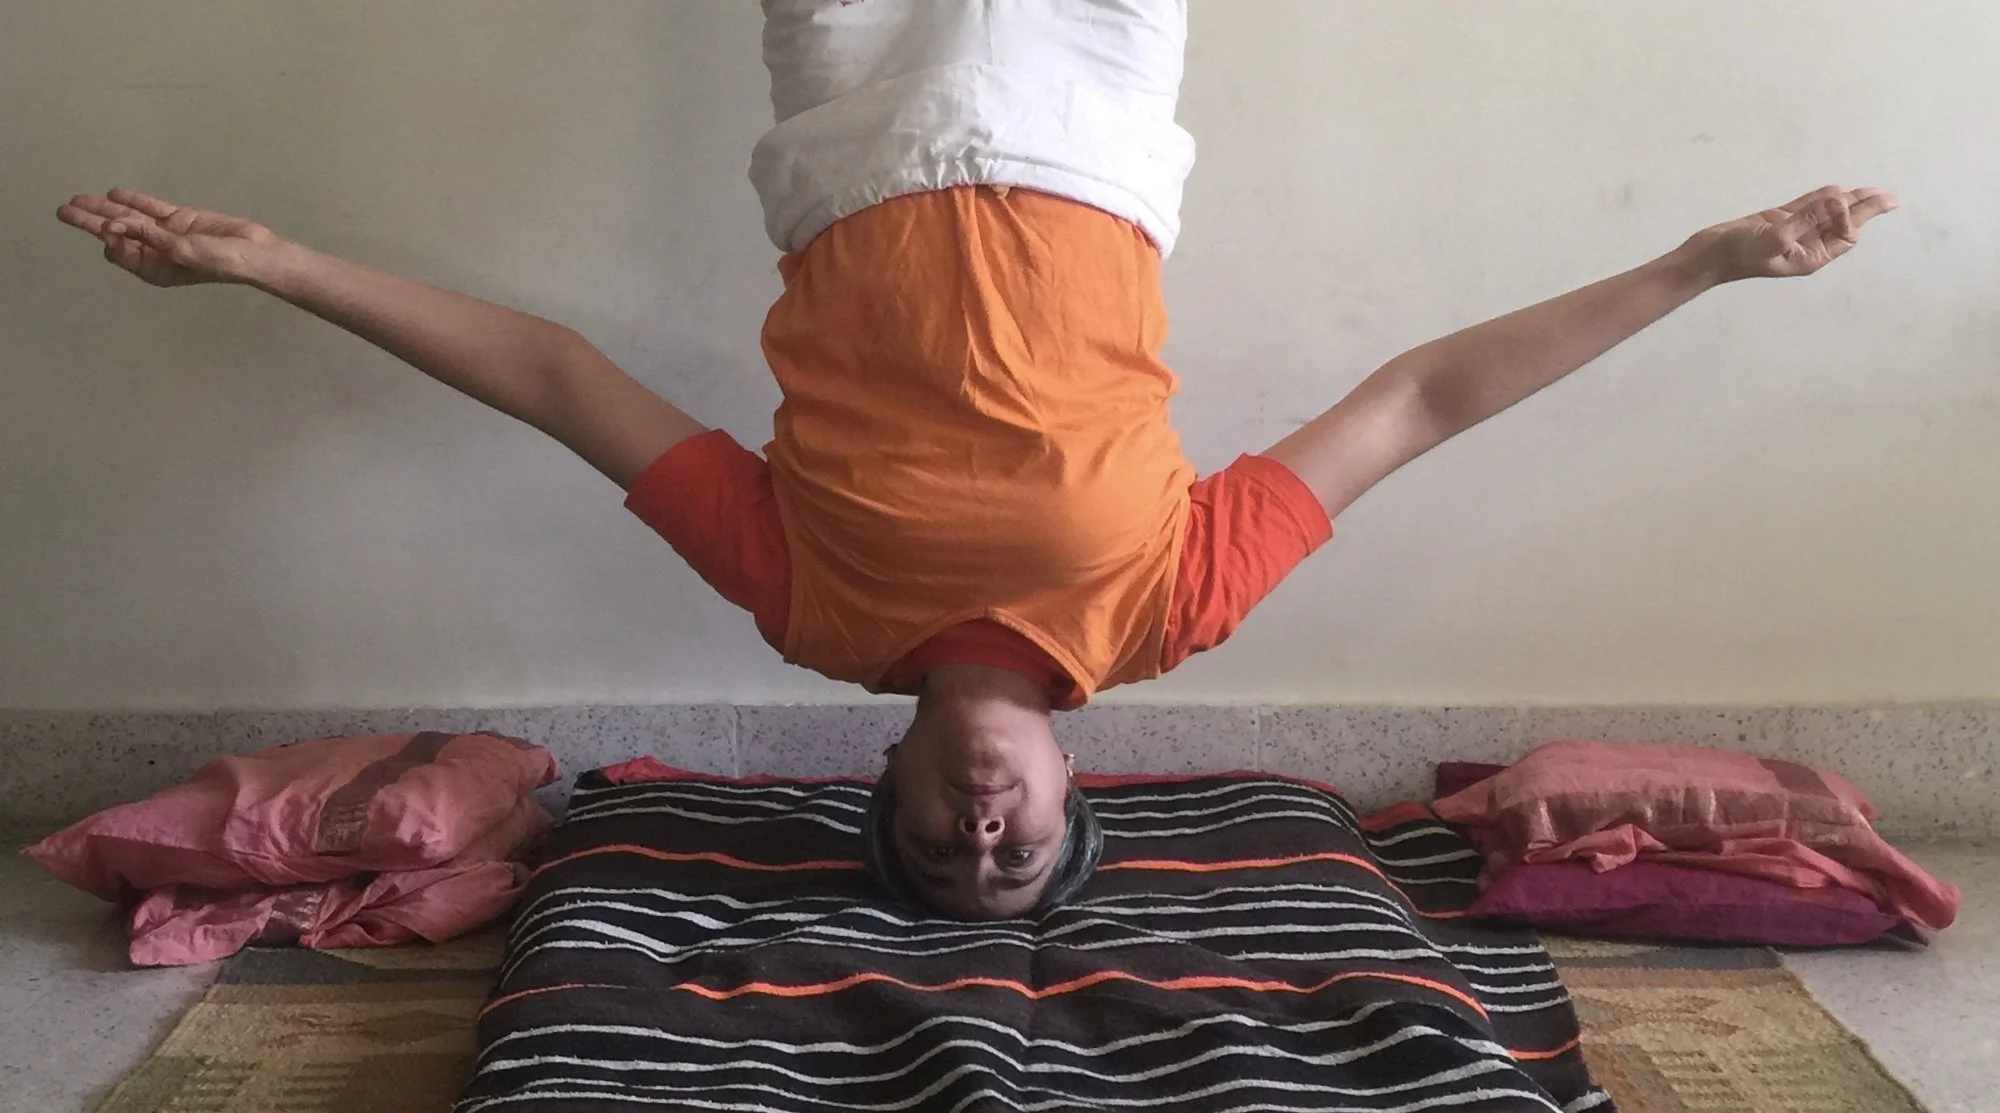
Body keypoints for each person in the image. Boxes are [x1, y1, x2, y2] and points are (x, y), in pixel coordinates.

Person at [55, 0, 1897, 921]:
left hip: (854, 107)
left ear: (894, 790)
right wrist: (1700, 265)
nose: (989, 830)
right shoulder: (1171, 608)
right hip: (1091, 100)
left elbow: (553, 376)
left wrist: (279, 266)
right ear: (1080, 797)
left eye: (946, 852)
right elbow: (1418, 403)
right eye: (1024, 857)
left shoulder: (807, 605)